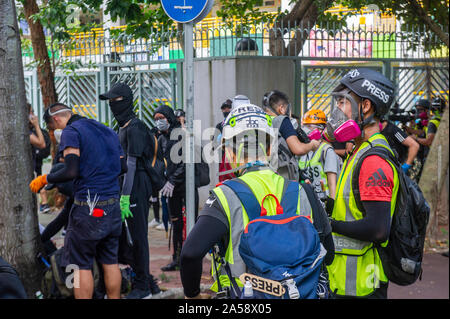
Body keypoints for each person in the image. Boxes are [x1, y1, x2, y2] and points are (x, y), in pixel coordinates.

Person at [179, 104, 334, 299]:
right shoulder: (304, 191)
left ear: (229, 152)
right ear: (270, 148)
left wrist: (192, 295)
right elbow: (328, 255)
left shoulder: (224, 196)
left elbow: (190, 254)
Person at [29, 103, 124, 299]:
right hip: (113, 206)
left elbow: (71, 170)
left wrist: (46, 178)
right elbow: (123, 166)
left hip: (89, 209)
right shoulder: (106, 129)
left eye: (54, 129)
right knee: (110, 261)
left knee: (81, 265)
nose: (56, 133)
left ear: (56, 120)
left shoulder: (71, 132)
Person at [324, 68, 399, 299]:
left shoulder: (373, 160)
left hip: (361, 286)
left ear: (365, 106)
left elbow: (377, 229)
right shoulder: (359, 150)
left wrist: (329, 225)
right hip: (347, 282)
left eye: (343, 102)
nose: (338, 109)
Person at [99, 83, 161, 299]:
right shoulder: (122, 127)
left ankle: (143, 288)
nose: (112, 105)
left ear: (125, 101)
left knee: (138, 236)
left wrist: (125, 197)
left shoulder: (135, 127)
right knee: (128, 238)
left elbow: (132, 165)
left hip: (136, 186)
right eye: (110, 102)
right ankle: (148, 281)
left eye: (115, 101)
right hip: (125, 187)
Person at [154, 104, 199, 271]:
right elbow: (159, 163)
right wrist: (163, 181)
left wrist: (172, 180)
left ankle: (194, 257)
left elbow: (186, 161)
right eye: (156, 119)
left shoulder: (181, 134)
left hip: (186, 184)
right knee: (176, 223)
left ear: (169, 117)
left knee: (193, 222)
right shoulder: (160, 138)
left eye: (161, 118)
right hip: (170, 188)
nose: (159, 122)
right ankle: (177, 258)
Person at [298, 109, 341, 200]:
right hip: (307, 199)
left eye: (309, 126)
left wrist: (332, 203)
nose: (305, 130)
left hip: (324, 200)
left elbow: (332, 182)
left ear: (320, 129)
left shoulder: (326, 151)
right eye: (304, 126)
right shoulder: (304, 149)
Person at [262, 90, 320, 156]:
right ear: (282, 109)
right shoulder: (282, 121)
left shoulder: (260, 119)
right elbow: (298, 149)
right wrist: (312, 145)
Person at [28, 103, 51, 214]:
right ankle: (44, 203)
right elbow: (41, 144)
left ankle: (44, 203)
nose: (33, 115)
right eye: (31, 112)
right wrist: (37, 125)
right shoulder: (27, 132)